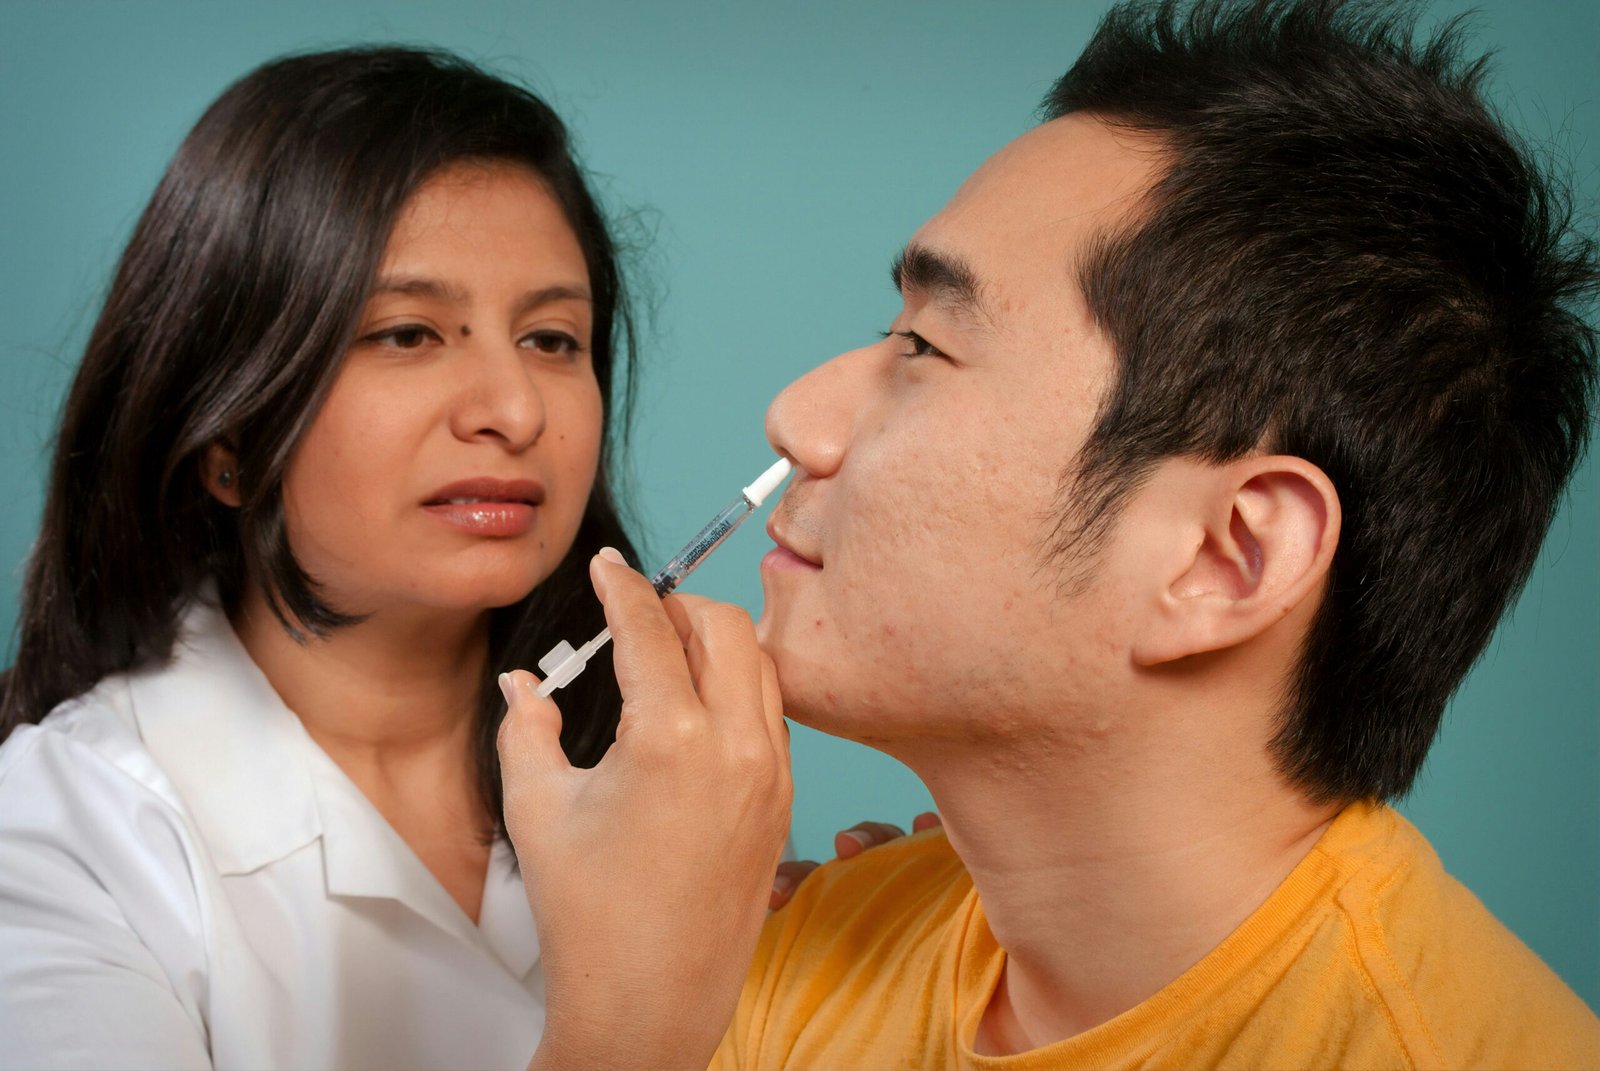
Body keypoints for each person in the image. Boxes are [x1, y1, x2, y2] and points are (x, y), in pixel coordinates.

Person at [497, 1, 1600, 1067]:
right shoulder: (801, 955)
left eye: (925, 347)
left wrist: (624, 1034)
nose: (796, 416)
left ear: (1226, 556)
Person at [0, 45, 902, 1070]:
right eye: (408, 334)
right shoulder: (63, 837)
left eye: (552, 340)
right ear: (228, 439)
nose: (514, 411)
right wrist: (641, 1016)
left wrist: (875, 993)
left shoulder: (660, 763)